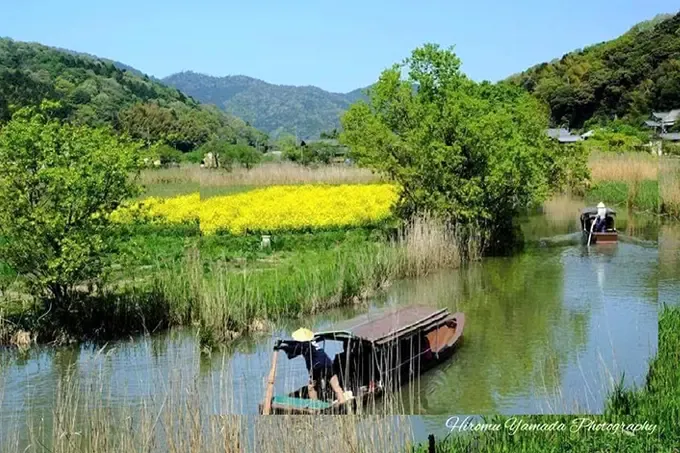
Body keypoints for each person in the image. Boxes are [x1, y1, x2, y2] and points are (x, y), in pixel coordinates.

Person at [276, 328, 348, 404]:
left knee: (311, 388)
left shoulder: (304, 345)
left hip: (317, 367)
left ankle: (315, 405)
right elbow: (294, 344)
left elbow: (292, 349)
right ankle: (343, 401)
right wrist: (283, 342)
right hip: (328, 364)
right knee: (336, 386)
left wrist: (281, 347)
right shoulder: (311, 342)